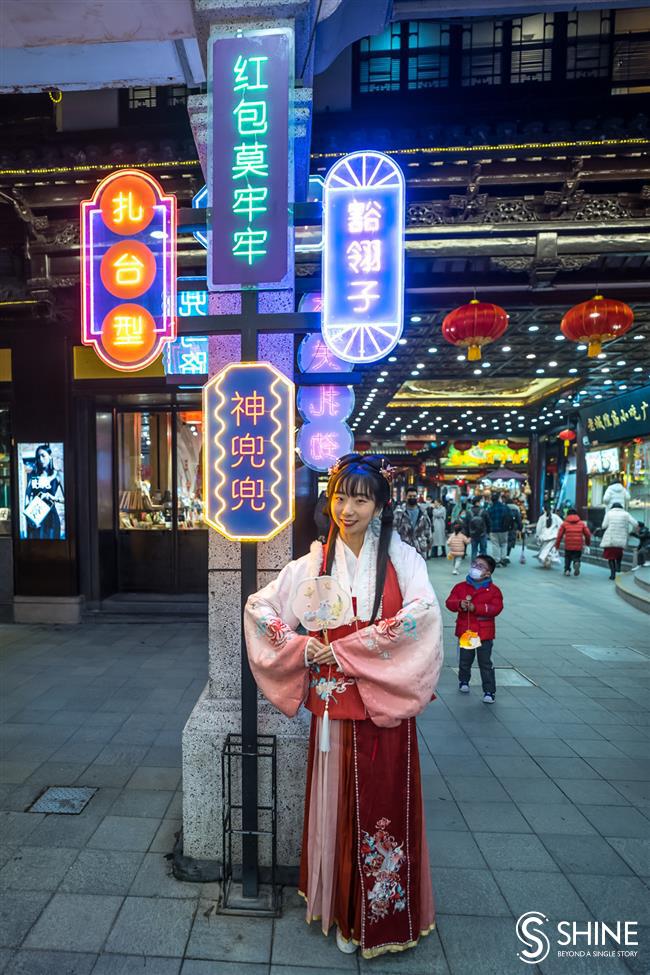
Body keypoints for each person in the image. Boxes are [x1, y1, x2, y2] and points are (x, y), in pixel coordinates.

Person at [244, 454, 444, 959]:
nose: (347, 509)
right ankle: (337, 908)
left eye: (360, 498)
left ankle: (379, 915)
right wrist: (299, 646)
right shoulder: (311, 564)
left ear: (379, 505)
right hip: (334, 711)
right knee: (336, 808)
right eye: (340, 496)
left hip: (384, 710)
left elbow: (422, 613)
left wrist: (351, 648)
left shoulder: (403, 558)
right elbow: (258, 607)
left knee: (382, 811)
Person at [445, 554, 503, 703]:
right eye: (474, 564)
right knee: (465, 659)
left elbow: (496, 608)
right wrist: (459, 604)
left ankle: (489, 691)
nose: (475, 568)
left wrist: (476, 607)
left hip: (485, 633)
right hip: (467, 631)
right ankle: (463, 680)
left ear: (488, 573)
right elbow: (450, 602)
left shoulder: (494, 591)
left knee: (485, 663)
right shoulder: (461, 587)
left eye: (480, 566)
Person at [24, 444, 63, 540]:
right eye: (38, 457)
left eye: (43, 455)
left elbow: (67, 499)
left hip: (51, 518)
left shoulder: (57, 475)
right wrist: (29, 518)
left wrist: (53, 498)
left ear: (50, 456)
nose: (41, 459)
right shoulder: (33, 475)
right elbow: (27, 496)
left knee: (52, 549)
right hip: (36, 516)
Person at [600, 502, 638, 579]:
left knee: (611, 557)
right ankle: (618, 567)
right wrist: (631, 532)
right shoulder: (626, 514)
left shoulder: (609, 513)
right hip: (621, 539)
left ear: (612, 507)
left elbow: (604, 526)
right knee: (618, 553)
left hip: (610, 539)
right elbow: (635, 523)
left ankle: (613, 574)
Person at [393, 486, 433, 558]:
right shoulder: (399, 512)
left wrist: (429, 543)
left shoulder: (423, 512)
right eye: (410, 496)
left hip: (420, 549)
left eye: (414, 496)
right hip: (403, 549)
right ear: (406, 497)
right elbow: (394, 529)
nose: (412, 498)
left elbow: (428, 529)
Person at [556, 509, 591, 577]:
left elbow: (559, 535)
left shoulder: (565, 523)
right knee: (577, 556)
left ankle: (567, 570)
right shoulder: (581, 523)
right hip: (578, 544)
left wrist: (557, 545)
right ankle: (576, 562)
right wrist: (587, 543)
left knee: (567, 557)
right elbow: (588, 534)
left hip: (568, 544)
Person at [487, 492, 513, 567]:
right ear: (499, 499)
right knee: (504, 544)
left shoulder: (490, 509)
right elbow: (510, 517)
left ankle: (496, 560)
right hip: (504, 529)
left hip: (493, 529)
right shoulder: (505, 507)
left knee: (495, 544)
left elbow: (487, 519)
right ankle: (503, 558)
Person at [535, 503, 563, 568]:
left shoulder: (541, 518)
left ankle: (544, 559)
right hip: (553, 536)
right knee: (550, 549)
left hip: (544, 536)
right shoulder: (555, 517)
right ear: (551, 509)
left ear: (544, 510)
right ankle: (547, 560)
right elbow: (562, 525)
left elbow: (538, 528)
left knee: (545, 549)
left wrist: (538, 535)